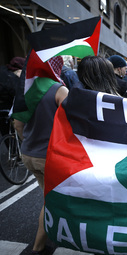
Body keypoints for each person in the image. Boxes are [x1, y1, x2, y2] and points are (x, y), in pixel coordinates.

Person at [13, 56, 69, 255]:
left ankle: (52, 235)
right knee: (50, 202)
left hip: (29, 153)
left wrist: (29, 140)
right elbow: (73, 121)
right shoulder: (59, 90)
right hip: (49, 157)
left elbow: (18, 124)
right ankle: (38, 247)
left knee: (48, 196)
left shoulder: (26, 89)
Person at [0, 57, 25, 136]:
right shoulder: (14, 78)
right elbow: (17, 94)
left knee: (5, 131)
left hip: (1, 107)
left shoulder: (3, 71)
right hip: (9, 105)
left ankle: (9, 144)